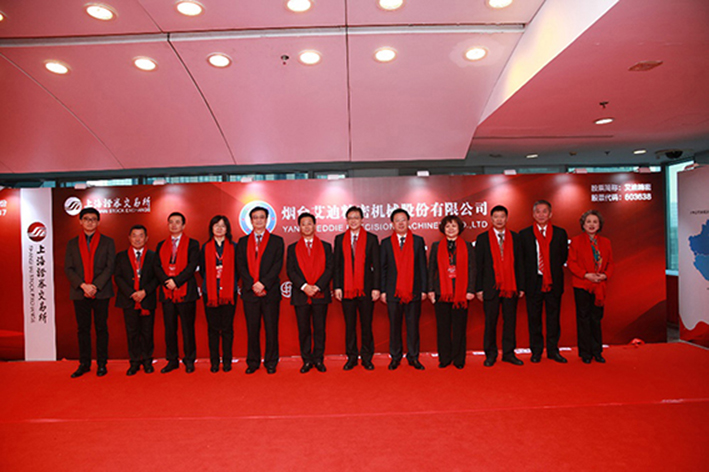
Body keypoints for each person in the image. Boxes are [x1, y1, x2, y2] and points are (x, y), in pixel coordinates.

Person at [64, 207, 115, 378]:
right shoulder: (72, 244)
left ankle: (102, 364)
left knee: (101, 328)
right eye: (86, 219)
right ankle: (84, 363)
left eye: (93, 219)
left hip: (101, 292)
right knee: (83, 329)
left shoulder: (108, 242)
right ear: (80, 221)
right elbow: (68, 269)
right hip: (79, 292)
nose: (90, 222)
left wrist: (95, 286)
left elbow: (110, 267)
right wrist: (83, 286)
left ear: (98, 222)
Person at [475, 205, 525, 367]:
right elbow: (479, 265)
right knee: (491, 322)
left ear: (506, 218)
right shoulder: (483, 238)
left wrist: (521, 286)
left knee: (510, 321)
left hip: (511, 286)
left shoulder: (515, 238)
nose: (499, 220)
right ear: (491, 218)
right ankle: (490, 354)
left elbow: (520, 263)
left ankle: (509, 353)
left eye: (502, 216)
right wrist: (479, 288)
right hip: (490, 287)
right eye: (496, 217)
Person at [520, 200, 569, 363]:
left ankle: (553, 350)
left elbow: (563, 257)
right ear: (533, 214)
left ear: (550, 214)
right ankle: (536, 351)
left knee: (553, 318)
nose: (541, 215)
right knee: (534, 318)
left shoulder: (560, 233)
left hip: (553, 281)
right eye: (538, 211)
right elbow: (522, 260)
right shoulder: (525, 234)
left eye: (544, 211)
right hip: (533, 282)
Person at [237, 206, 285, 374]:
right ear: (251, 221)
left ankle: (271, 362)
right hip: (250, 293)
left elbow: (277, 265)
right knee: (252, 329)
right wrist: (253, 284)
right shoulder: (243, 242)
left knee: (271, 329)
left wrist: (263, 283)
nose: (258, 220)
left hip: (270, 292)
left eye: (261, 217)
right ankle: (253, 362)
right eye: (255, 217)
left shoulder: (277, 241)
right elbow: (241, 266)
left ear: (267, 220)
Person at [333, 206, 380, 371]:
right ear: (347, 220)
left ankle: (367, 357)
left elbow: (377, 266)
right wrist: (337, 286)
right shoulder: (340, 239)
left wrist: (376, 288)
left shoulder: (372, 239)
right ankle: (351, 357)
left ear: (362, 220)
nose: (353, 221)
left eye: (356, 218)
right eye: (350, 218)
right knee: (350, 325)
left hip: (366, 289)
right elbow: (337, 266)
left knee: (366, 325)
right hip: (346, 289)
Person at [380, 208, 428, 370]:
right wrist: (383, 291)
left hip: (413, 290)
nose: (400, 223)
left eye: (403, 220)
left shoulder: (418, 241)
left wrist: (423, 289)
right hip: (393, 291)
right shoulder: (386, 243)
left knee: (413, 326)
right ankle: (395, 356)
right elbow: (383, 268)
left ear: (408, 222)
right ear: (392, 224)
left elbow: (422, 267)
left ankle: (413, 357)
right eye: (397, 221)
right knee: (395, 326)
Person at [287, 213, 334, 373]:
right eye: (303, 224)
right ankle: (306, 360)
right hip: (301, 295)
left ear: (315, 226)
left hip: (320, 294)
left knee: (320, 329)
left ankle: (318, 359)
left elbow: (330, 269)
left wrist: (318, 286)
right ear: (299, 227)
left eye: (309, 223)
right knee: (304, 329)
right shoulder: (292, 248)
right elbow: (291, 271)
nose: (306, 226)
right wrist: (305, 286)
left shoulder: (326, 246)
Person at [154, 212, 200, 374]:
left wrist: (176, 281)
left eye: (177, 222)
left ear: (183, 225)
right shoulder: (161, 245)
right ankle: (172, 360)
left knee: (188, 328)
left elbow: (192, 266)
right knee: (169, 328)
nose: (174, 225)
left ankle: (189, 360)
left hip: (186, 292)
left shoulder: (193, 244)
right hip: (167, 292)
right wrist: (167, 281)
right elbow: (156, 266)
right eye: (171, 222)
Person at [428, 215, 475, 369]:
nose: (450, 229)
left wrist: (470, 289)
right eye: (447, 226)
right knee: (443, 327)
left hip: (461, 292)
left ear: (459, 228)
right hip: (441, 292)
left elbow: (472, 269)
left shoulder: (467, 246)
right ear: (443, 228)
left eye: (454, 226)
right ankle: (445, 358)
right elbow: (431, 269)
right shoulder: (436, 246)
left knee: (459, 327)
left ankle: (459, 359)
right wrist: (430, 290)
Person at [567, 210, 614, 364]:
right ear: (583, 224)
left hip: (599, 285)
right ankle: (585, 353)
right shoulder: (576, 241)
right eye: (588, 222)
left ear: (599, 225)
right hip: (582, 284)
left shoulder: (606, 242)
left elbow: (610, 263)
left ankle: (597, 351)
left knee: (596, 319)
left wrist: (605, 275)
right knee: (583, 319)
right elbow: (571, 263)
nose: (591, 225)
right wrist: (586, 275)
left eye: (595, 222)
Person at [114, 225, 159, 376]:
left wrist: (144, 292)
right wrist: (132, 293)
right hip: (129, 300)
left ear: (146, 238)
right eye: (134, 235)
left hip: (147, 299)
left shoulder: (153, 256)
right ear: (129, 238)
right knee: (132, 332)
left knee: (147, 332)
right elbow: (118, 277)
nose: (137, 239)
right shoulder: (121, 256)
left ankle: (147, 361)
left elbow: (157, 277)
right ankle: (134, 362)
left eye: (141, 236)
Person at [199, 215, 238, 373]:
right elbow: (202, 270)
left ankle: (227, 361)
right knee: (213, 329)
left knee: (227, 328)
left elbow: (238, 269)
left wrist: (227, 282)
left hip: (229, 292)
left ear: (227, 229)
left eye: (222, 225)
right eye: (216, 225)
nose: (219, 228)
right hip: (210, 293)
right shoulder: (205, 247)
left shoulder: (234, 247)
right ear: (211, 228)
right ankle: (214, 361)